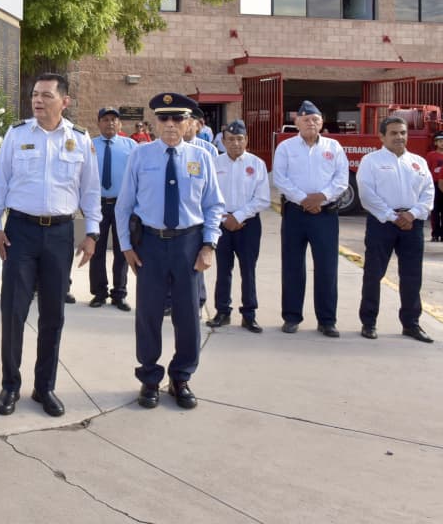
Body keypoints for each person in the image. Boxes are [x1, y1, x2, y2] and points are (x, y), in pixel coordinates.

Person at [0, 74, 100, 417]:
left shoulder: (80, 140)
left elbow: (90, 191)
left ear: (64, 101)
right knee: (13, 312)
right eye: (35, 95)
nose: (38, 101)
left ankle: (44, 387)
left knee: (53, 314)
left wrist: (92, 234)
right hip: (20, 232)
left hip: (60, 235)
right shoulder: (17, 134)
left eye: (46, 96)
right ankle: (10, 386)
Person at [115, 92, 224, 411]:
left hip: (188, 244)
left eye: (178, 118)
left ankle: (181, 377)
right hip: (150, 243)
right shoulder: (141, 155)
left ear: (189, 122)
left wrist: (209, 245)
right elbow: (124, 206)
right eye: (164, 118)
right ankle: (149, 379)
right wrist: (125, 247)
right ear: (155, 122)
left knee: (188, 315)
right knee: (148, 315)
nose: (171, 125)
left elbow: (214, 204)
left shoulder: (202, 156)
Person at [272, 100, 349, 337]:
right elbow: (280, 178)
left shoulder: (334, 146)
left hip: (325, 214)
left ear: (322, 122)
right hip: (296, 213)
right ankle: (292, 317)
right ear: (296, 122)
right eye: (306, 120)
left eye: (315, 119)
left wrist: (321, 198)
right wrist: (304, 199)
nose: (311, 123)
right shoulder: (286, 148)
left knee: (327, 268)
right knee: (293, 266)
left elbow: (341, 179)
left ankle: (327, 320)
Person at [356, 117, 435, 343]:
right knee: (374, 274)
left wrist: (412, 214)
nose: (399, 137)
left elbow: (428, 193)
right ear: (382, 137)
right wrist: (393, 216)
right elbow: (367, 195)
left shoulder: (417, 162)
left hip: (413, 223)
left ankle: (411, 324)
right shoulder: (371, 161)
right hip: (382, 224)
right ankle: (369, 322)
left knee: (411, 276)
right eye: (393, 133)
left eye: (402, 132)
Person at [205, 120, 270, 333]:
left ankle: (249, 314)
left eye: (239, 139)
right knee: (223, 269)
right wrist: (225, 219)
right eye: (230, 140)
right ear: (223, 142)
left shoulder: (257, 164)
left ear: (246, 140)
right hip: (221, 223)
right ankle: (222, 311)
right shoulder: (214, 163)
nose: (235, 143)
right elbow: (208, 195)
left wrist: (239, 216)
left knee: (248, 270)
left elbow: (262, 199)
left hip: (248, 224)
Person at [88, 106, 137, 311]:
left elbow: (138, 176)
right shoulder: (88, 145)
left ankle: (119, 293)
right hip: (97, 205)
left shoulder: (131, 145)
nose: (110, 123)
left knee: (122, 249)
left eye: (114, 120)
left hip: (122, 205)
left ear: (120, 124)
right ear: (98, 123)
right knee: (96, 251)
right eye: (105, 119)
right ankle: (99, 293)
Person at [426, 132, 443, 242]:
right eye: (440, 141)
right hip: (434, 185)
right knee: (435, 211)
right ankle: (435, 234)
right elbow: (426, 170)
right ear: (436, 143)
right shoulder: (431, 155)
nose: (442, 143)